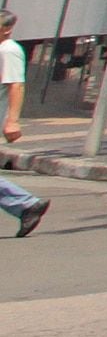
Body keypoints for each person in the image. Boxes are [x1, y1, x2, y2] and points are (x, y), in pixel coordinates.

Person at [2, 12, 44, 238]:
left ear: (7, 29)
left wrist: (12, 121)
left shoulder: (8, 50)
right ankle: (25, 205)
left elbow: (16, 86)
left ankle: (25, 204)